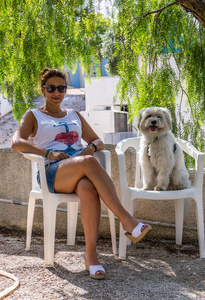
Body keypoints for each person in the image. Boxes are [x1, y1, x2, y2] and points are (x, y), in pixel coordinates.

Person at [11, 68, 151, 280]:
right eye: (51, 88)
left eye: (61, 88)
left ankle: (91, 256)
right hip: (52, 173)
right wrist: (48, 152)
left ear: (65, 90)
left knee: (87, 186)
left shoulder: (74, 115)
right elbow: (17, 143)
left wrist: (91, 148)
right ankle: (127, 221)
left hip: (80, 170)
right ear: (43, 90)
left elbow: (97, 140)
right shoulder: (33, 115)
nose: (56, 93)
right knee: (88, 162)